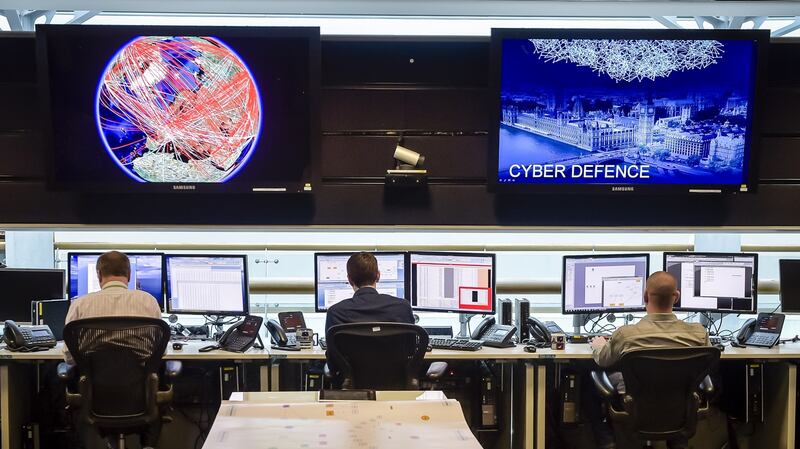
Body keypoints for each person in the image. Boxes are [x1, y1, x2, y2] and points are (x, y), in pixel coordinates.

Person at [587, 271, 710, 449]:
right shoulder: (699, 333)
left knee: (588, 381)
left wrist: (598, 345)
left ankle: (608, 442)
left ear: (645, 296)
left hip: (634, 402)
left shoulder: (626, 334)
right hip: (680, 404)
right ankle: (678, 442)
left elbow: (603, 361)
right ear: (676, 297)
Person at [63, 251, 163, 449]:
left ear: (99, 274)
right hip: (139, 394)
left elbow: (68, 356)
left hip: (95, 395)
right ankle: (148, 444)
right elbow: (161, 352)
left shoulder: (81, 304)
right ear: (130, 274)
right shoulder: (148, 301)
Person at [325, 252, 414, 333]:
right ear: (378, 276)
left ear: (349, 280)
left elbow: (332, 350)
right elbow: (411, 347)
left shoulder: (336, 313)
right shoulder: (403, 308)